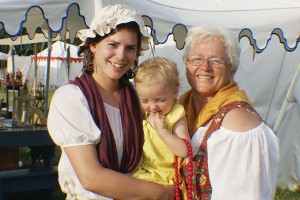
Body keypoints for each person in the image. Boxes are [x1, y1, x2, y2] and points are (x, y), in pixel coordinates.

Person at [47, 4, 174, 200]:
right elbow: (91, 178)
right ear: (93, 45)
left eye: (130, 48)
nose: (121, 55)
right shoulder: (72, 98)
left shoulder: (136, 96)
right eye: (112, 45)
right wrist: (163, 193)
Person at [179, 26, 279, 200]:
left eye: (216, 61)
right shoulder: (181, 109)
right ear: (186, 64)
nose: (205, 67)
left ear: (232, 69)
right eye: (196, 59)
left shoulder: (237, 123)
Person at [132, 57, 192, 199]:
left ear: (175, 92)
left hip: (166, 175)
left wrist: (163, 131)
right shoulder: (146, 114)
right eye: (145, 100)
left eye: (160, 100)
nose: (153, 106)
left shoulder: (175, 116)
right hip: (146, 171)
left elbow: (184, 150)